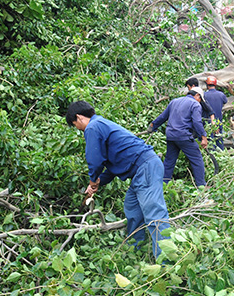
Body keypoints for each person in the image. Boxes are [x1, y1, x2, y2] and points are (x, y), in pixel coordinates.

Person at [65, 101, 170, 258]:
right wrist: (99, 181)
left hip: (145, 167)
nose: (78, 129)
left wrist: (93, 180)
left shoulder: (93, 127)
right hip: (140, 171)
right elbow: (113, 164)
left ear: (79, 117)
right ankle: (136, 250)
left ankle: (167, 261)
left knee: (154, 214)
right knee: (132, 209)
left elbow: (95, 159)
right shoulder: (101, 124)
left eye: (75, 125)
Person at [148, 87, 208, 187]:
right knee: (197, 159)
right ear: (197, 95)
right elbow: (197, 122)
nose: (200, 101)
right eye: (200, 99)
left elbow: (163, 116)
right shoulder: (195, 104)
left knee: (169, 161)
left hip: (171, 135)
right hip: (183, 135)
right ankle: (201, 186)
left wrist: (152, 126)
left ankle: (163, 184)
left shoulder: (174, 101)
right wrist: (203, 137)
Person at [204, 76, 228, 150]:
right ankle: (222, 157)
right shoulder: (221, 95)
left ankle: (212, 160)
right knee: (219, 142)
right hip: (218, 121)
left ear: (207, 85)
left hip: (207, 122)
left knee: (210, 144)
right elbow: (225, 101)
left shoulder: (204, 95)